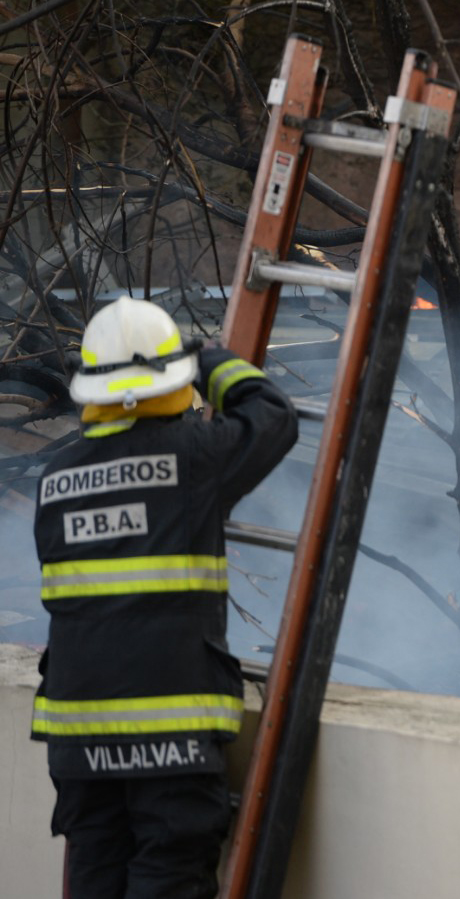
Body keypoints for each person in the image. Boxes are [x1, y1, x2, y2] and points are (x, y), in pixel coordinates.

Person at [31, 297, 297, 898]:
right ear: (173, 382)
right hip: (170, 738)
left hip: (79, 737)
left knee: (94, 874)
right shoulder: (195, 460)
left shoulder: (56, 482)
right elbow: (274, 416)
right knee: (168, 874)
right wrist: (212, 360)